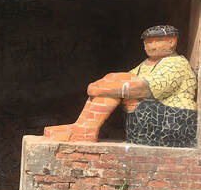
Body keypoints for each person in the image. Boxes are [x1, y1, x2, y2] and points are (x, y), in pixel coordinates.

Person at [44, 25, 197, 148]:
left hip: (174, 118)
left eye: (155, 41)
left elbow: (145, 89)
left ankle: (85, 130)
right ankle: (82, 127)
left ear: (172, 41)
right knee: (115, 78)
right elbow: (124, 77)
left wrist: (104, 89)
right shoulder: (148, 63)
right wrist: (103, 83)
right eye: (147, 42)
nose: (149, 45)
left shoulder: (176, 63)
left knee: (119, 86)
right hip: (152, 112)